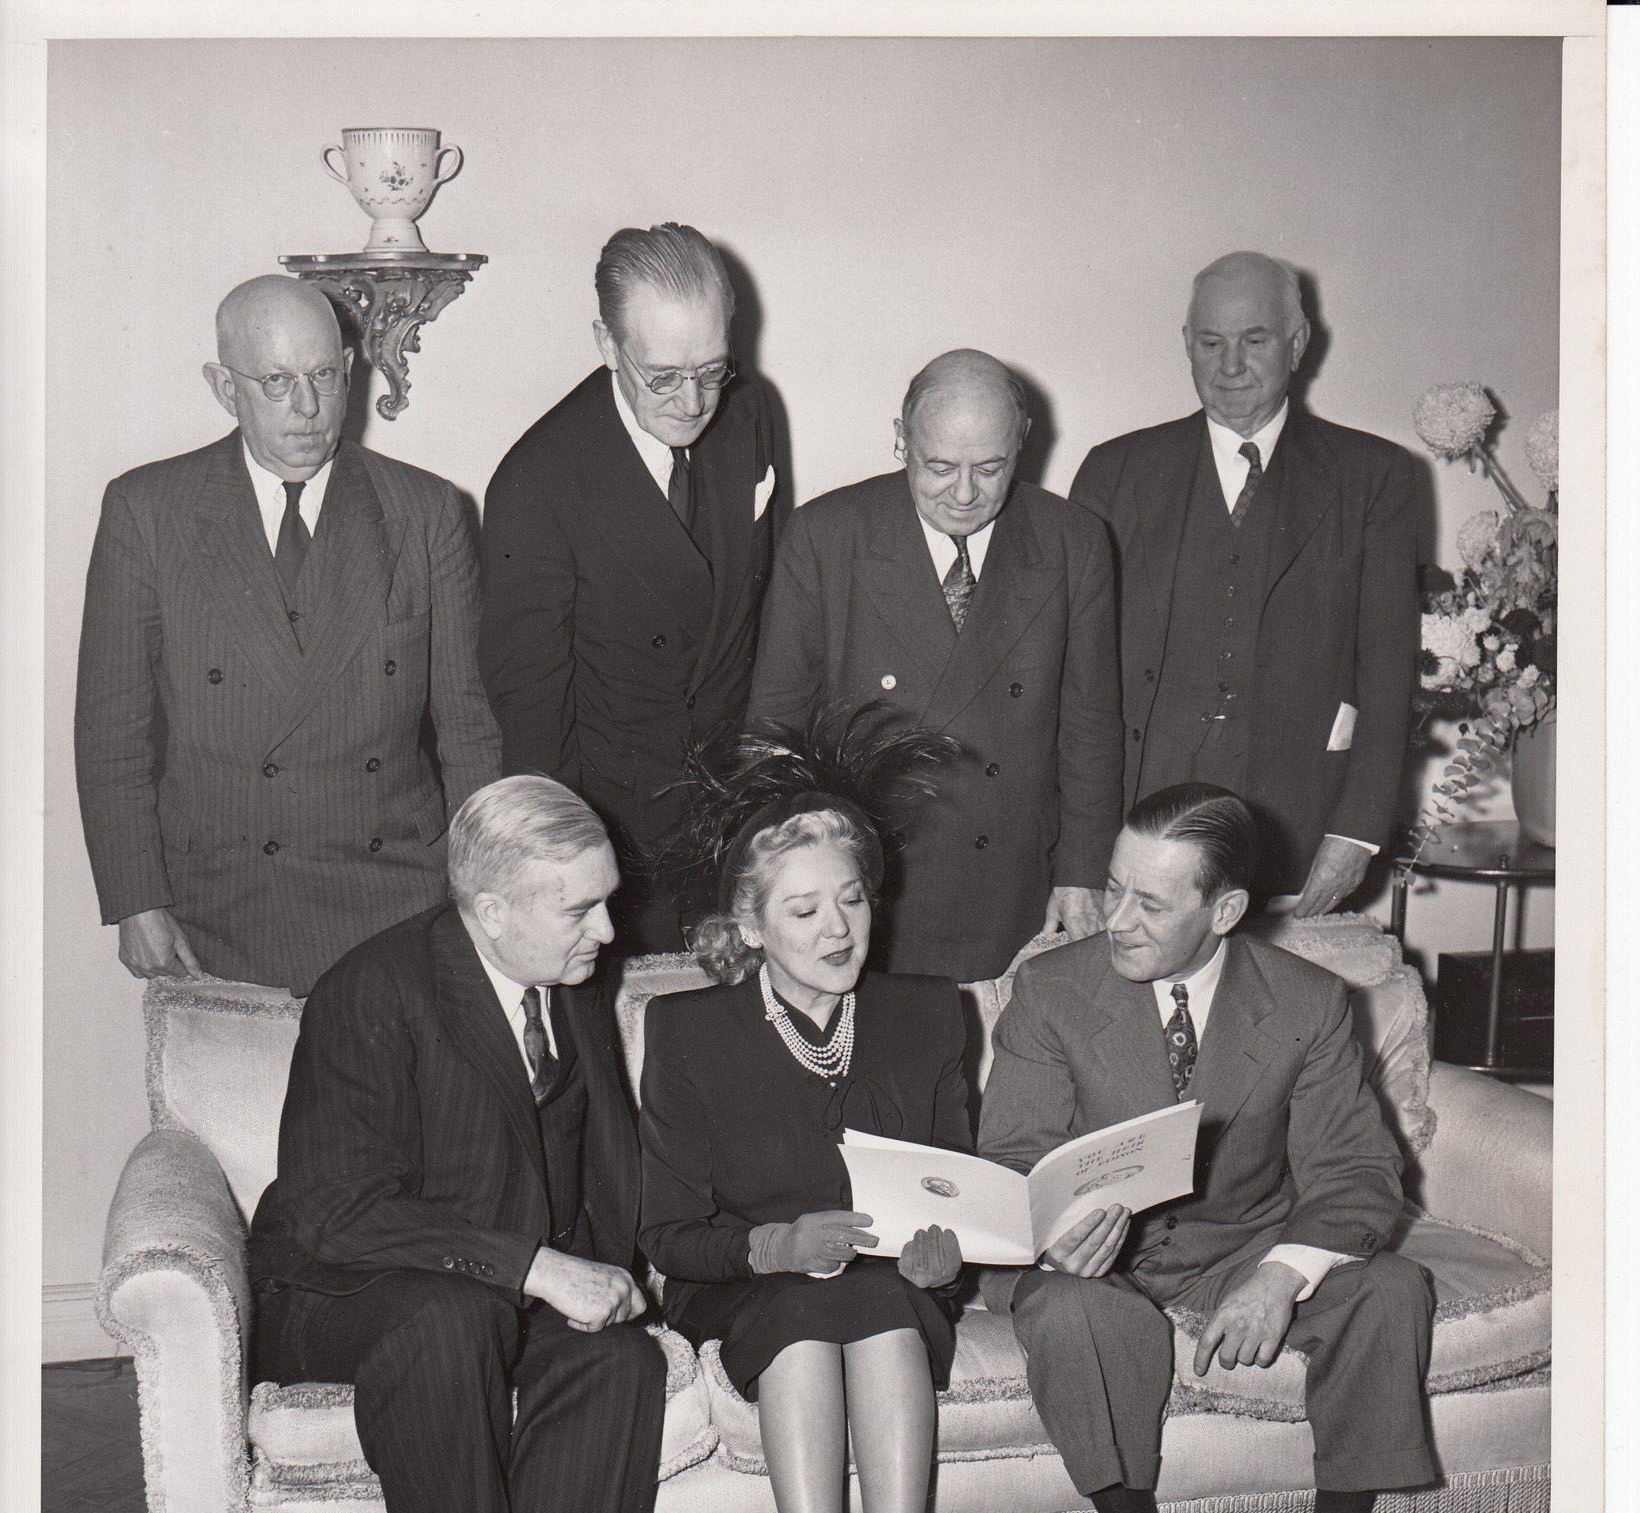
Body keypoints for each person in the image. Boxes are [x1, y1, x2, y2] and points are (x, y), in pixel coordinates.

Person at [248, 776, 667, 1513]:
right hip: (342, 1289)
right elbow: (335, 1210)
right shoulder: (372, 990)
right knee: (451, 1318)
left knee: (620, 1361)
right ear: (490, 907)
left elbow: (592, 1160)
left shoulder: (566, 977)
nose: (608, 930)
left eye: (607, 900)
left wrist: (616, 1275)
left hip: (493, 1287)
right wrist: (534, 1266)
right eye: (580, 907)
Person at [978, 783, 1437, 1513]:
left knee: (1392, 1289)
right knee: (1070, 1315)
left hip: (1242, 1245)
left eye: (1149, 902)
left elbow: (1358, 1171)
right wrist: (1055, 1229)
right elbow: (1013, 1156)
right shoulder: (1051, 989)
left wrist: (1280, 1274)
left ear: (1223, 910)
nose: (1115, 918)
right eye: (1113, 887)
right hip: (1095, 1263)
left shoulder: (1306, 1000)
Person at [638, 717, 970, 1513]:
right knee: (802, 1317)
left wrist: (944, 1255)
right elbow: (665, 1233)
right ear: (748, 921)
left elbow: (955, 1193)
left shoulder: (931, 1015)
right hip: (747, 1285)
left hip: (887, 1287)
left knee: (880, 1314)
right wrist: (777, 1244)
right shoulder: (687, 1031)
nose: (837, 929)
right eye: (803, 909)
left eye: (853, 900)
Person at [75, 273, 500, 996]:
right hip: (219, 905)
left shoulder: (426, 511)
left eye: (323, 376)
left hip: (396, 897)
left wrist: (483, 892)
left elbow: (469, 728)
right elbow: (111, 731)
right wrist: (136, 900)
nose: (307, 408)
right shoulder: (147, 511)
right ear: (224, 387)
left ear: (350, 369)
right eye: (276, 382)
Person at [748, 349, 1123, 982]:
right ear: (902, 439)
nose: (965, 494)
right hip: (868, 887)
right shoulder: (825, 537)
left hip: (1015, 878)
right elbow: (773, 736)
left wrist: (1083, 871)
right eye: (940, 467)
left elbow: (1091, 730)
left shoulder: (1074, 541)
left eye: (991, 467)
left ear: (1024, 441)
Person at [1069, 252, 1418, 916]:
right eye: (1210, 343)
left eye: (1254, 340)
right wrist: (1082, 850)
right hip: (1140, 827)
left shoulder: (1373, 477)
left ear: (1297, 344)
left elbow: (1386, 668)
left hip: (1298, 831)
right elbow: (1077, 681)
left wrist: (1357, 830)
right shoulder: (1114, 473)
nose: (1230, 365)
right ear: (1186, 345)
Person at [480, 223, 781, 953]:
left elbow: (766, 613)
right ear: (608, 345)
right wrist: (560, 880)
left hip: (739, 811)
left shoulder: (748, 411)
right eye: (663, 376)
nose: (693, 401)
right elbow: (533, 713)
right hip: (619, 837)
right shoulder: (536, 481)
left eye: (711, 369)